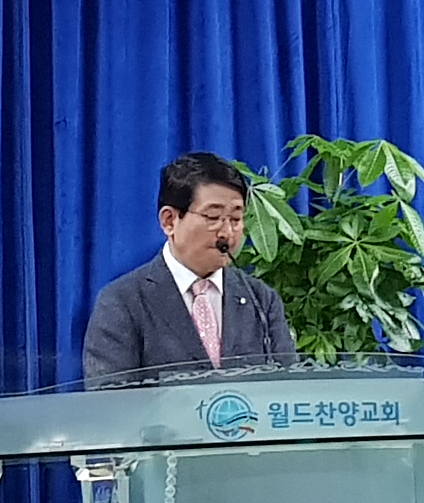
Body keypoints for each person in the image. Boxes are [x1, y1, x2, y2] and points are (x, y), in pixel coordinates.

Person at [81, 152, 297, 386]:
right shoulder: (122, 302)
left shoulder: (261, 300)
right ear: (169, 221)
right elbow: (108, 399)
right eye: (213, 217)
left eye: (236, 219)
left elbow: (287, 389)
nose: (227, 232)